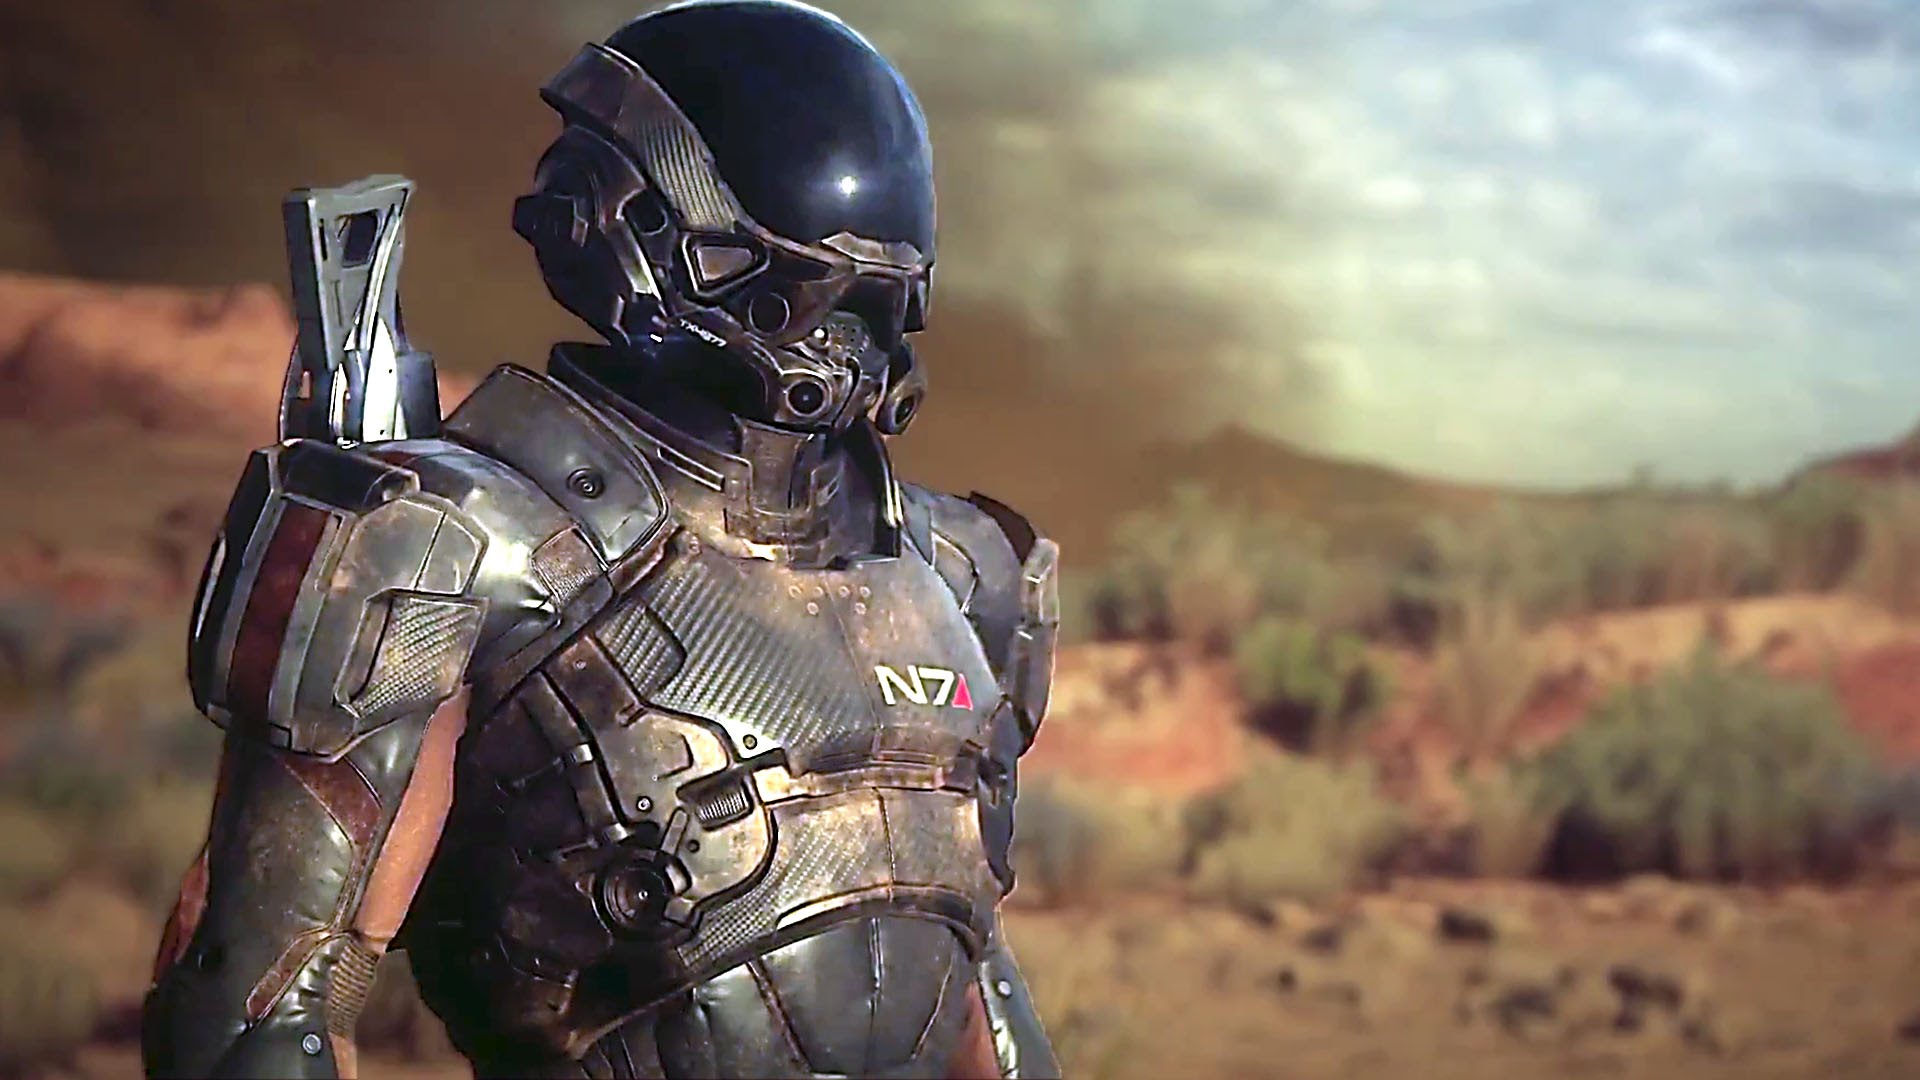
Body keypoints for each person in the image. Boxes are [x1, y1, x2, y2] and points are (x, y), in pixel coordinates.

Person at [140, 3, 1062, 1077]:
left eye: (866, 295)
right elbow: (262, 1008)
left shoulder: (959, 573)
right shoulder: (455, 547)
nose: (840, 328)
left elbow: (969, 967)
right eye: (811, 286)